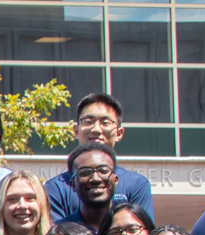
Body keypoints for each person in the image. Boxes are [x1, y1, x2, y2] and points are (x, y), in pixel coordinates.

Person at [43, 93, 154, 223]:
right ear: (76, 130)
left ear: (119, 133)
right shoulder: (56, 187)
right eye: (88, 122)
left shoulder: (136, 185)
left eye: (105, 122)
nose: (96, 129)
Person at [51, 143, 123, 235]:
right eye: (85, 173)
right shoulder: (60, 233)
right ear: (72, 184)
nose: (96, 179)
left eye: (103, 171)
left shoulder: (128, 229)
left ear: (116, 180)